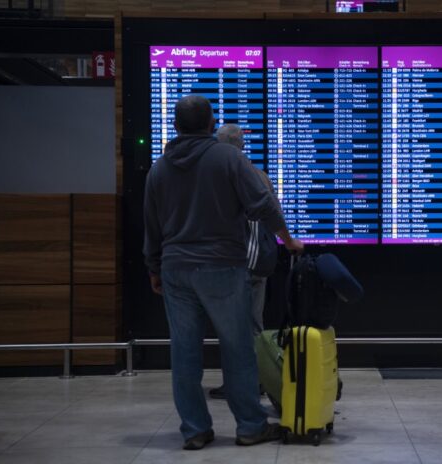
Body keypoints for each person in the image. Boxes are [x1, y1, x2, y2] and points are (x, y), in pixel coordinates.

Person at [143, 95, 303, 451]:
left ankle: (195, 430)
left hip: (175, 270)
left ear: (175, 126)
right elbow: (263, 203)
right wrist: (288, 241)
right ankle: (250, 426)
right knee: (238, 348)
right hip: (222, 268)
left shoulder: (159, 168)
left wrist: (154, 267)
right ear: (211, 124)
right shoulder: (228, 158)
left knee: (184, 353)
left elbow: (151, 225)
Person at [209, 123, 278, 400]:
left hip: (235, 261)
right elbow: (274, 213)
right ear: (242, 145)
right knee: (254, 323)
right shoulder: (260, 175)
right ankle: (258, 379)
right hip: (258, 261)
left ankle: (239, 383)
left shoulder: (220, 175)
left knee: (232, 328)